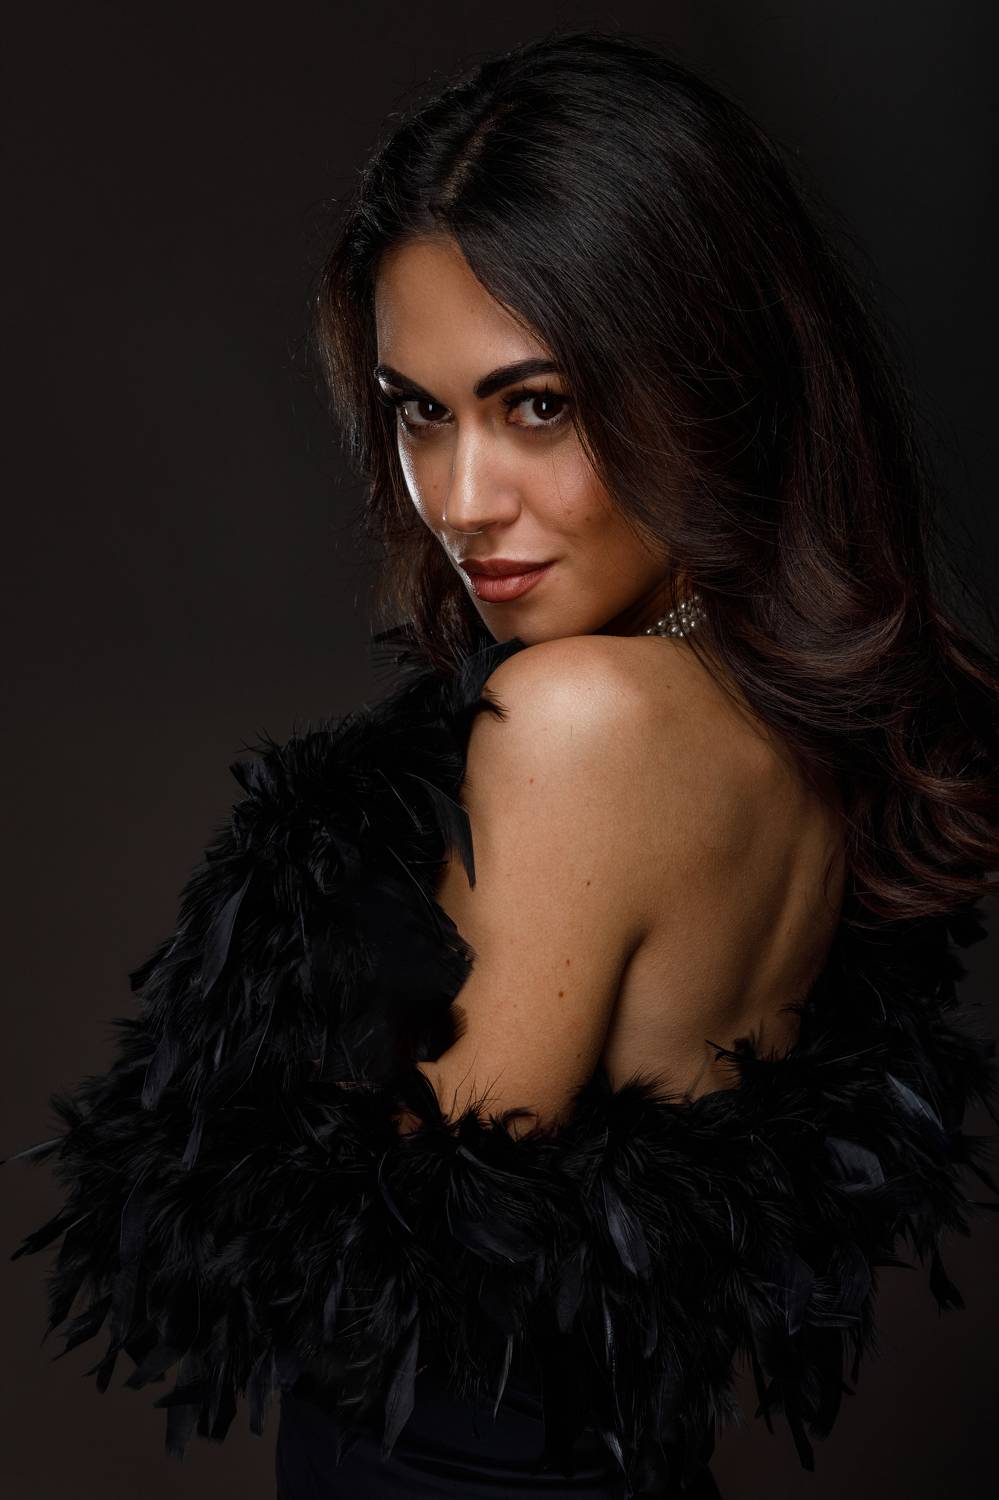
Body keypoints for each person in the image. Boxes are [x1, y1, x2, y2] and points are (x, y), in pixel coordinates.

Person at [5, 26, 999, 1500]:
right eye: (421, 411)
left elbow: (410, 1292)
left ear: (704, 373)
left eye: (538, 404)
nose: (463, 499)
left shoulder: (579, 721)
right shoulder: (770, 722)